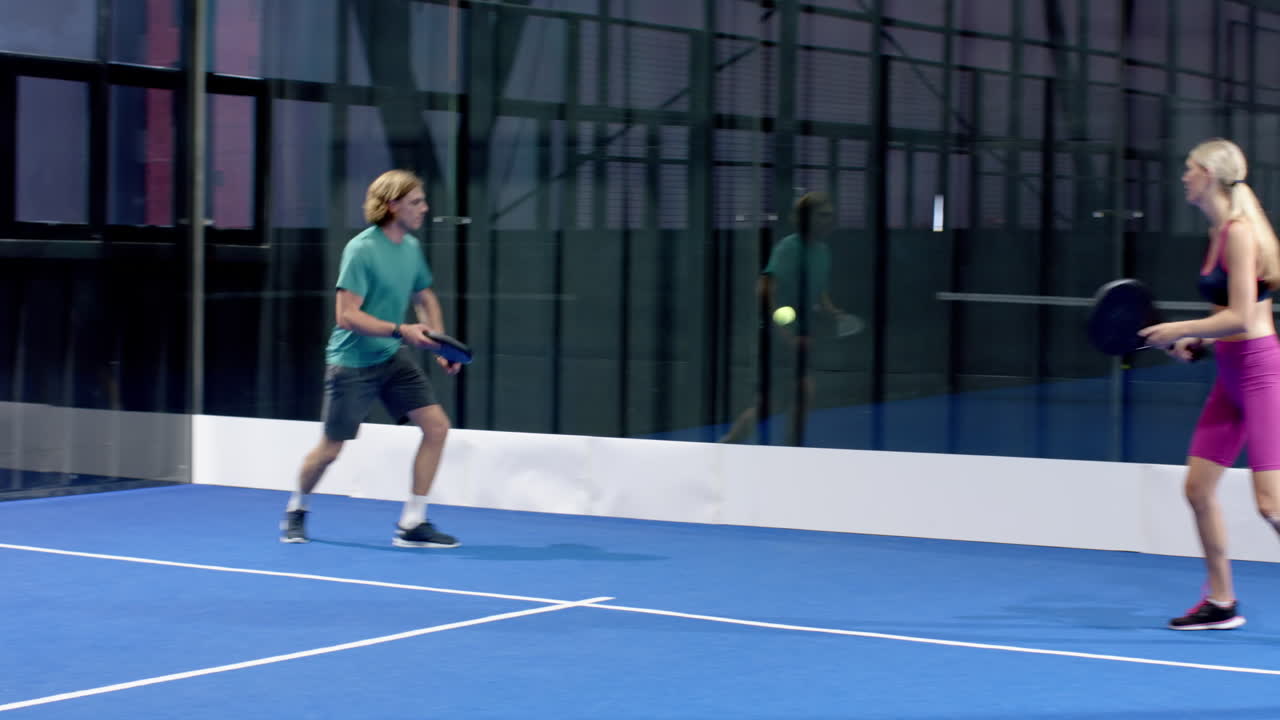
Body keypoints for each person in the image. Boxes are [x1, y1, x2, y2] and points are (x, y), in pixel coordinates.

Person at [1139, 138, 1280, 630]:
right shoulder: (1219, 233)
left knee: (1271, 504)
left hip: (1260, 373)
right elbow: (1230, 315)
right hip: (1230, 374)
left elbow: (1244, 316)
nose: (1183, 176)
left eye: (1189, 168)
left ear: (1211, 176)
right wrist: (1193, 344)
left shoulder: (1239, 233)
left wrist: (1182, 328)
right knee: (1198, 489)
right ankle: (1222, 602)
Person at [280, 170, 463, 548]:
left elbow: (424, 297)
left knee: (437, 427)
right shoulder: (361, 250)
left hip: (391, 358)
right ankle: (297, 508)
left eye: (423, 201)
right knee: (330, 450)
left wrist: (439, 344)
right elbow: (347, 316)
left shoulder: (410, 248)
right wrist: (401, 331)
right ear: (392, 205)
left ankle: (412, 523)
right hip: (351, 363)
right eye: (416, 202)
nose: (424, 209)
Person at [719, 191, 847, 446]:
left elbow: (819, 291)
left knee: (801, 395)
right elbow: (764, 290)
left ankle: (790, 450)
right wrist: (784, 334)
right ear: (805, 218)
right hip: (774, 336)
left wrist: (832, 310)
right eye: (822, 215)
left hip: (798, 337)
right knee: (772, 404)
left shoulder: (822, 251)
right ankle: (729, 445)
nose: (828, 220)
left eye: (831, 215)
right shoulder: (789, 249)